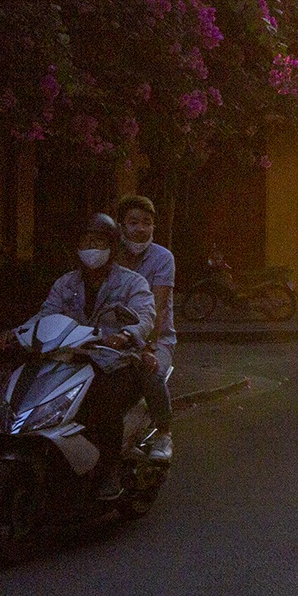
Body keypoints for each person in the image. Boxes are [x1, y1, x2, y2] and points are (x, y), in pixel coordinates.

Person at [39, 213, 157, 500]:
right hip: (71, 360)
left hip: (115, 363)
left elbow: (145, 316)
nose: (92, 247)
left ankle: (110, 469)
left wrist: (126, 335)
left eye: (99, 241)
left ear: (112, 246)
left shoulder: (132, 283)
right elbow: (46, 314)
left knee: (105, 401)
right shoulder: (65, 284)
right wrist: (20, 332)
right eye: (86, 241)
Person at [112, 194, 175, 463]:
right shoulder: (110, 256)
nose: (140, 229)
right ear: (121, 225)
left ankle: (164, 433)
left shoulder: (163, 258)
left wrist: (147, 345)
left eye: (146, 223)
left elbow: (159, 309)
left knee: (150, 373)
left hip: (155, 338)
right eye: (133, 222)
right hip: (112, 337)